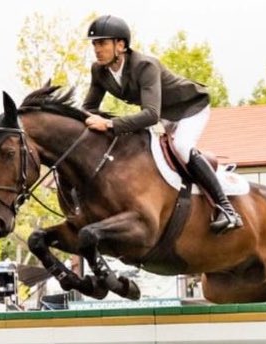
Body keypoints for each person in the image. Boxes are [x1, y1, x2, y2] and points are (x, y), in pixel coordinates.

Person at [82, 15, 243, 234]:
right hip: (162, 115)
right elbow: (88, 108)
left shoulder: (145, 65)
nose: (97, 49)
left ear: (120, 45)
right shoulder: (99, 71)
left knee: (182, 147)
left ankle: (228, 210)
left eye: (102, 43)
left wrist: (109, 124)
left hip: (189, 109)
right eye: (94, 44)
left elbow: (150, 115)